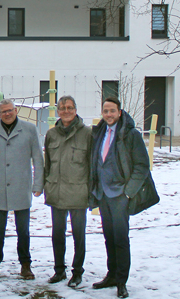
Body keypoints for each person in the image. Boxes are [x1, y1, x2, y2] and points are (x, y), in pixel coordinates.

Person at [90, 97, 159, 298]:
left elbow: (142, 166)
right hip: (103, 193)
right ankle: (111, 274)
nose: (109, 114)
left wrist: (129, 191)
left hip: (120, 194)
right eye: (105, 111)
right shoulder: (99, 132)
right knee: (108, 237)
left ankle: (122, 281)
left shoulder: (130, 135)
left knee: (120, 238)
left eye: (112, 111)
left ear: (119, 112)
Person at [0, 99, 44, 280]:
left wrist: (38, 184)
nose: (7, 114)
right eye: (3, 111)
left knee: (23, 230)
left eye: (10, 110)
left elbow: (38, 158)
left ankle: (25, 265)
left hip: (22, 186)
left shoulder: (29, 130)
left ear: (16, 110)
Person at [42, 96, 92, 288]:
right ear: (58, 110)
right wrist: (47, 185)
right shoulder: (52, 134)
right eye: (62, 108)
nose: (66, 111)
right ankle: (59, 270)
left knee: (79, 234)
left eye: (70, 107)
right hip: (57, 191)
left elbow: (90, 165)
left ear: (76, 109)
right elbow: (48, 164)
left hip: (78, 191)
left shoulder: (87, 134)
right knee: (57, 233)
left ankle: (77, 271)